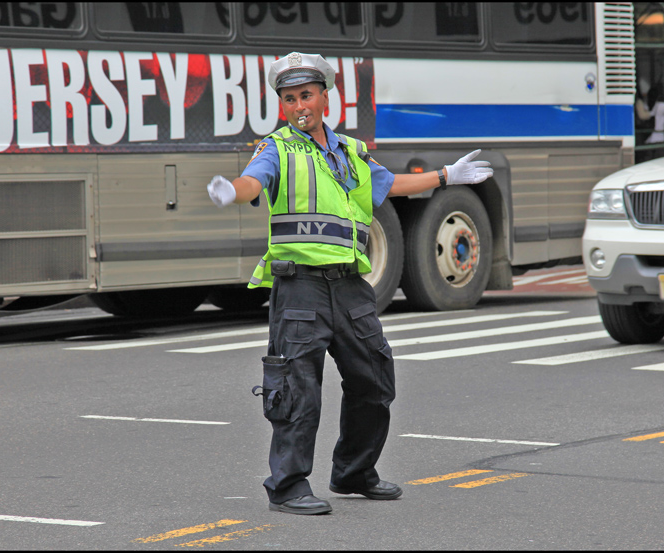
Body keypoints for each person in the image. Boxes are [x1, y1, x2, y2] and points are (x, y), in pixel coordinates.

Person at [206, 52, 493, 516]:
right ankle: (288, 485)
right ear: (282, 105)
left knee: (375, 378)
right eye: (289, 98)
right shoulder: (277, 149)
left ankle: (355, 472)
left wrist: (445, 176)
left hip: (350, 286)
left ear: (325, 96)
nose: (299, 105)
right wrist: (232, 191)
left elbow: (389, 185)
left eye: (306, 95)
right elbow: (253, 183)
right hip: (300, 288)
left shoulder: (348, 152)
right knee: (298, 387)